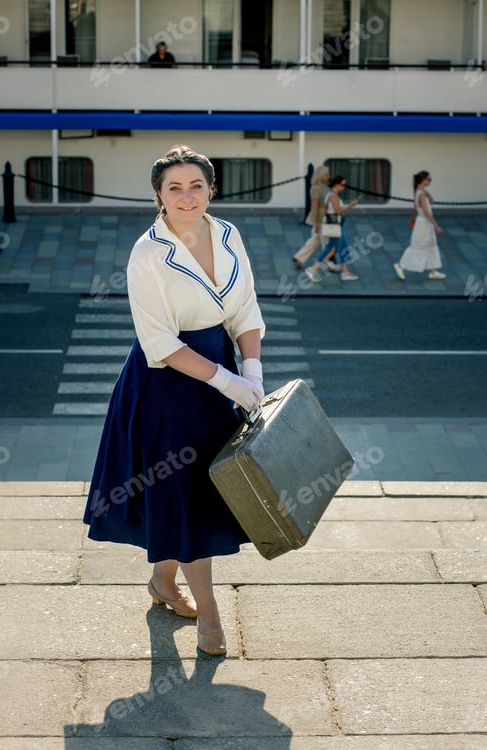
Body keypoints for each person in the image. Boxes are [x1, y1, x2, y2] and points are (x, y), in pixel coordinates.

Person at [83, 145, 265, 657]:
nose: (187, 197)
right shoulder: (147, 253)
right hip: (168, 385)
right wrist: (228, 382)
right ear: (158, 196)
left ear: (212, 189)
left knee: (198, 494)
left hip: (220, 370)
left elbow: (246, 306)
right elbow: (159, 343)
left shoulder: (228, 233)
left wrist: (249, 368)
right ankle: (210, 615)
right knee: (185, 492)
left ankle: (164, 581)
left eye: (196, 186)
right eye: (174, 188)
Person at [305, 176, 360, 282]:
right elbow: (338, 211)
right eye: (343, 185)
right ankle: (312, 269)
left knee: (343, 247)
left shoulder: (329, 195)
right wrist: (351, 205)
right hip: (335, 226)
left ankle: (345, 272)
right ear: (337, 185)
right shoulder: (333, 196)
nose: (344, 187)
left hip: (336, 225)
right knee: (330, 249)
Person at [393, 170, 446, 281]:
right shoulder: (420, 193)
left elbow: (432, 202)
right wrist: (437, 226)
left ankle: (433, 271)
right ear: (424, 180)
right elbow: (426, 212)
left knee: (431, 245)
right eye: (428, 179)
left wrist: (428, 193)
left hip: (424, 223)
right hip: (424, 224)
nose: (430, 181)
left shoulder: (420, 192)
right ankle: (401, 266)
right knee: (419, 246)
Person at [292, 165, 335, 269]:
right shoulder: (316, 189)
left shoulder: (325, 187)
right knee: (326, 242)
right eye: (326, 174)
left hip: (325, 217)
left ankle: (299, 257)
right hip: (321, 219)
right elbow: (315, 207)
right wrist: (316, 223)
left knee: (315, 240)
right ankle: (330, 264)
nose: (328, 176)